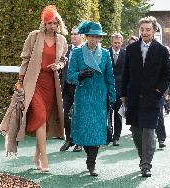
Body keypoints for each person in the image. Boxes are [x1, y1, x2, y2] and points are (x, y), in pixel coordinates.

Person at [15, 5, 68, 171]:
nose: (52, 26)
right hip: (34, 82)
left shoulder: (62, 40)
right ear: (43, 23)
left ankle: (37, 155)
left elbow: (63, 60)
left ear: (58, 24)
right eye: (48, 23)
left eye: (54, 23)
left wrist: (58, 65)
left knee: (44, 120)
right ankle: (45, 159)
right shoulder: (34, 36)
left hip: (50, 84)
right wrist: (20, 81)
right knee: (39, 115)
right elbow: (25, 59)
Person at [121, 16, 170, 177]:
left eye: (148, 29)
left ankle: (146, 164)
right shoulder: (131, 49)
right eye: (142, 29)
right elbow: (126, 73)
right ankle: (143, 158)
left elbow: (168, 74)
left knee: (149, 131)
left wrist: (159, 91)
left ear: (154, 30)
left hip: (152, 98)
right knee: (136, 131)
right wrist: (123, 94)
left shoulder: (162, 50)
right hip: (133, 97)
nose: (144, 32)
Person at [67, 21, 116, 176]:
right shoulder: (76, 53)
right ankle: (89, 156)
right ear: (86, 36)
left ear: (100, 38)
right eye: (91, 36)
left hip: (99, 96)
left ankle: (91, 162)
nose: (94, 40)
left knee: (96, 130)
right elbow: (69, 77)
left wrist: (113, 96)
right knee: (84, 129)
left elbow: (110, 77)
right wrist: (80, 75)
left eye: (97, 37)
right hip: (83, 96)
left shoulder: (106, 54)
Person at [59, 27, 83, 152]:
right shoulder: (66, 50)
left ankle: (79, 142)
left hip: (80, 87)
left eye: (76, 34)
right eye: (72, 34)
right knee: (65, 114)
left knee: (78, 115)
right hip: (67, 87)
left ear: (82, 36)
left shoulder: (86, 50)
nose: (73, 36)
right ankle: (69, 140)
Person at [108, 33, 126, 146]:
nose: (117, 45)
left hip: (121, 89)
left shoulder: (125, 53)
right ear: (111, 42)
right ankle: (108, 136)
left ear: (121, 43)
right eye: (115, 43)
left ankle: (116, 137)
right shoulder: (105, 53)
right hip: (108, 88)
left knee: (118, 115)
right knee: (107, 113)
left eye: (119, 43)